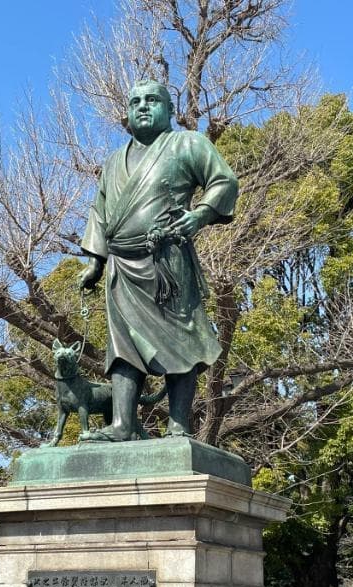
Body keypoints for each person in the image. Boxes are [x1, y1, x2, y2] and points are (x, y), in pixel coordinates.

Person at [78, 79, 238, 440]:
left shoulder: (188, 143)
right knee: (122, 346)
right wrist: (95, 262)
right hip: (122, 266)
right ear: (127, 114)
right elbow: (99, 212)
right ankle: (121, 425)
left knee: (180, 340)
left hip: (167, 260)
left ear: (169, 109)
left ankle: (179, 423)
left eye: (152, 100)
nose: (143, 106)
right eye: (135, 101)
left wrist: (199, 215)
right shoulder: (113, 162)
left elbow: (224, 181)